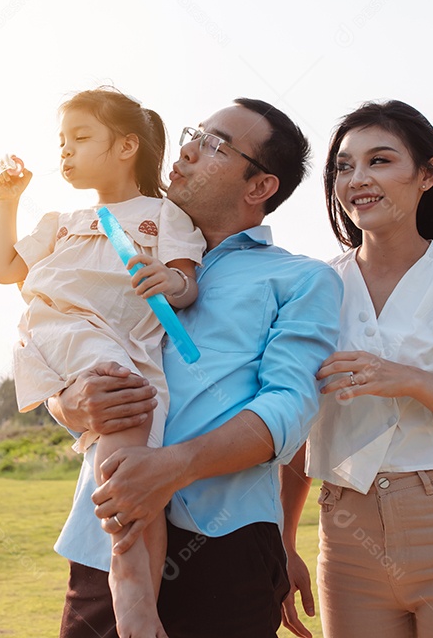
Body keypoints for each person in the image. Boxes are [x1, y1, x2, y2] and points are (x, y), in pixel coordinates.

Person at [47, 98, 343, 638]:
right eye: (195, 133)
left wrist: (175, 466)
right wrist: (63, 403)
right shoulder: (116, 247)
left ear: (260, 187)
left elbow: (289, 406)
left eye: (215, 144)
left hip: (225, 548)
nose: (186, 149)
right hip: (111, 535)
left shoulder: (302, 280)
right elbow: (66, 345)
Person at [285, 100, 433, 638]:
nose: (357, 179)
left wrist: (414, 381)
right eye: (344, 166)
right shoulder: (313, 286)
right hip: (345, 532)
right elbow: (294, 423)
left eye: (380, 160)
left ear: (427, 174)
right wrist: (284, 543)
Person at [0, 86, 205, 638]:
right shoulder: (61, 220)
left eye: (81, 138)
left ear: (127, 145)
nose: (65, 152)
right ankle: (130, 595)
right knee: (123, 426)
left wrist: (172, 281)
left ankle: (135, 593)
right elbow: (5, 269)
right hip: (64, 331)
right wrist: (7, 200)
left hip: (123, 344)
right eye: (61, 141)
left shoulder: (163, 215)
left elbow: (186, 281)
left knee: (132, 464)